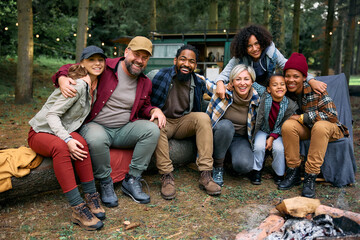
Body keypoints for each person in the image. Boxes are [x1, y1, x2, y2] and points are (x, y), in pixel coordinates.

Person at [52, 36, 166, 206]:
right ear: (127, 52)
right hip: (96, 125)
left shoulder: (145, 82)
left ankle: (132, 179)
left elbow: (144, 106)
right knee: (96, 138)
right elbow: (70, 67)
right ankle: (106, 182)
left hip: (124, 128)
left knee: (152, 130)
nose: (139, 60)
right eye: (136, 54)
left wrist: (154, 110)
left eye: (144, 57)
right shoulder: (106, 66)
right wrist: (62, 78)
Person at [28, 46, 107, 231]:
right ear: (82, 64)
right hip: (40, 131)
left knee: (82, 143)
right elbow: (52, 116)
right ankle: (77, 208)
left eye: (100, 60)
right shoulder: (78, 85)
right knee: (62, 147)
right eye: (91, 60)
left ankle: (91, 196)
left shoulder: (92, 84)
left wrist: (71, 138)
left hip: (60, 129)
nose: (97, 63)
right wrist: (67, 139)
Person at [148, 44, 221, 200]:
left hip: (182, 122)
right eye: (183, 59)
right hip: (164, 121)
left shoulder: (197, 82)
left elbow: (216, 90)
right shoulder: (161, 76)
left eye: (191, 61)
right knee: (155, 124)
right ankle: (166, 176)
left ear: (195, 65)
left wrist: (225, 85)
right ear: (175, 60)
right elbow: (147, 101)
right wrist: (155, 109)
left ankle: (206, 174)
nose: (187, 64)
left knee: (203, 118)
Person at [278, 53, 349, 198]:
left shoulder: (314, 89)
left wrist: (303, 117)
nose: (291, 80)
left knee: (320, 126)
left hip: (330, 128)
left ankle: (310, 177)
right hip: (310, 129)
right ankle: (293, 172)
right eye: (288, 76)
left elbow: (332, 115)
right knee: (288, 125)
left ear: (304, 77)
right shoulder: (284, 90)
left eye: (296, 76)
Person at [214, 24, 327, 100]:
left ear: (262, 42)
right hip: (249, 92)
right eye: (249, 46)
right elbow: (223, 75)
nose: (254, 49)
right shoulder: (240, 57)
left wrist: (311, 80)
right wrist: (220, 84)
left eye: (257, 43)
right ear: (244, 48)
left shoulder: (271, 52)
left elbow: (290, 66)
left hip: (269, 91)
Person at [206, 64, 262, 186]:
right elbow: (205, 82)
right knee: (226, 126)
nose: (242, 83)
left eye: (246, 79)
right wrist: (220, 82)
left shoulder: (257, 99)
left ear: (252, 81)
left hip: (239, 138)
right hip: (220, 134)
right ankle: (218, 166)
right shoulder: (224, 93)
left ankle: (228, 158)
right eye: (238, 79)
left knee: (244, 166)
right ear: (232, 82)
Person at [251, 74, 298, 185]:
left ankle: (279, 173)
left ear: (286, 88)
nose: (279, 87)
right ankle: (256, 170)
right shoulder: (265, 95)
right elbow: (252, 83)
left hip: (279, 132)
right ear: (268, 89)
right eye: (275, 85)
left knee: (279, 149)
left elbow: (284, 124)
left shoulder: (291, 105)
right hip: (263, 129)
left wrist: (272, 137)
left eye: (282, 84)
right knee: (258, 146)